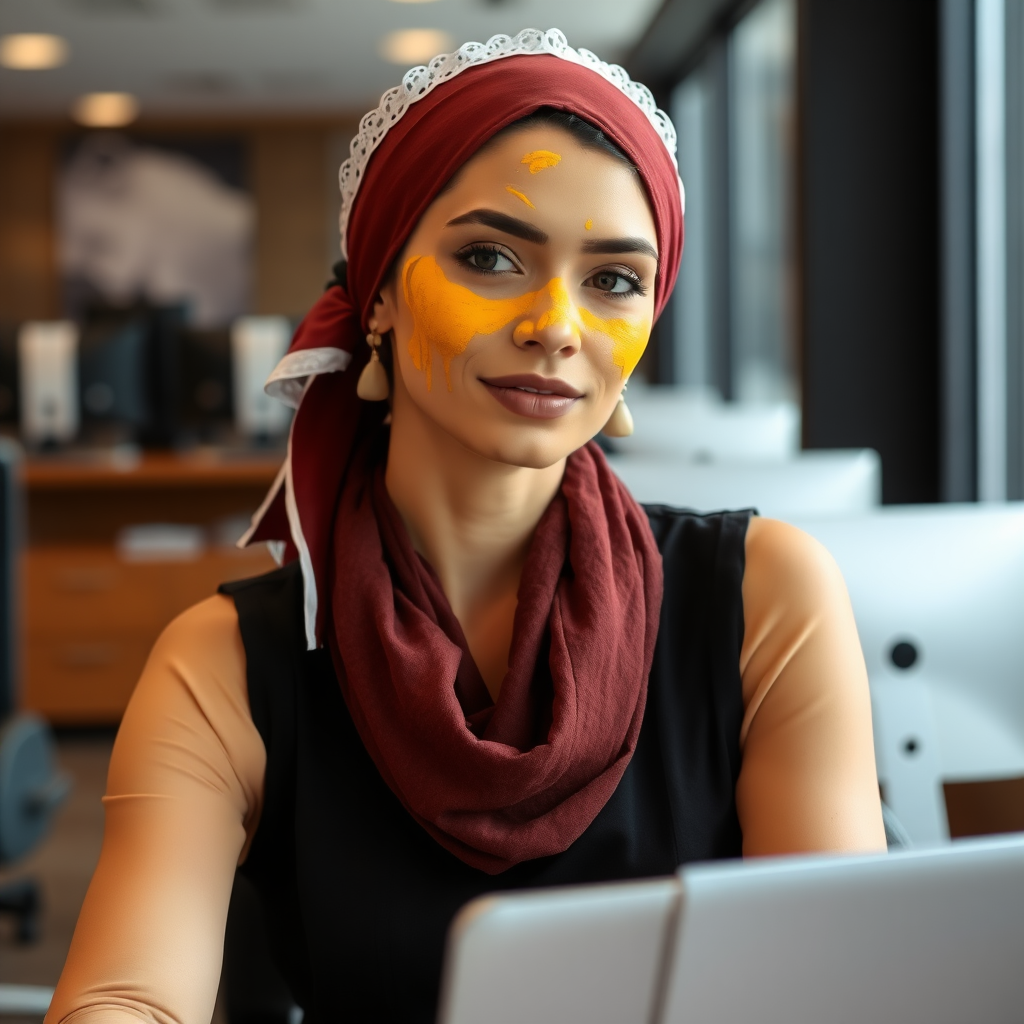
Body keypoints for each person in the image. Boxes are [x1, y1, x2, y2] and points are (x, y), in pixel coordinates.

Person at [47, 28, 885, 1024]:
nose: (556, 324)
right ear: (382, 295)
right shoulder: (225, 666)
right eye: (490, 258)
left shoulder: (763, 596)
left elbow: (837, 985)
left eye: (613, 280)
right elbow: (126, 997)